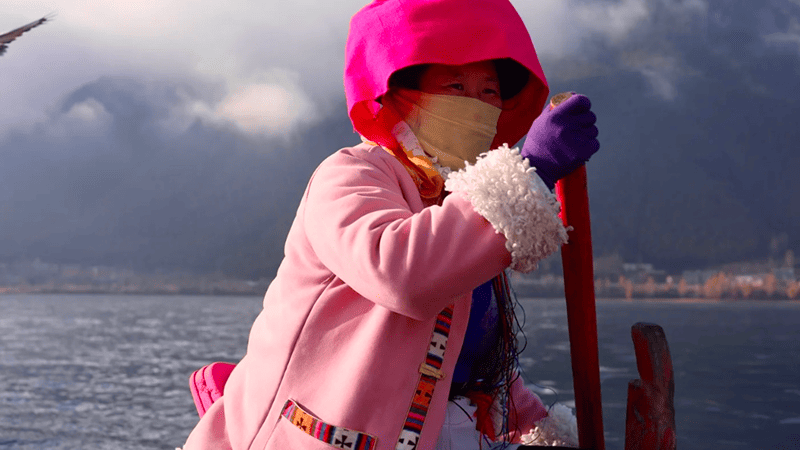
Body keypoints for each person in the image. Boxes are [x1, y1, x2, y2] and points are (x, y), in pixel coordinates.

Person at [181, 0, 599, 448]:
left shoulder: (462, 204)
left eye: (489, 92)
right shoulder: (351, 174)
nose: (475, 107)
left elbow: (477, 361)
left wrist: (547, 433)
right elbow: (401, 273)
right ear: (401, 95)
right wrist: (531, 170)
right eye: (455, 86)